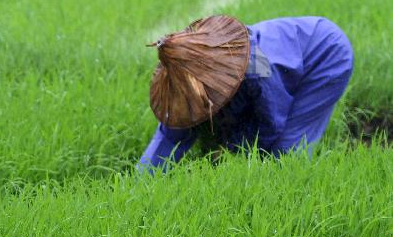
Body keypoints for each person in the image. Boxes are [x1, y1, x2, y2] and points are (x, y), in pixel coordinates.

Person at [139, 15, 353, 171]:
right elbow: (168, 138)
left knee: (285, 155)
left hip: (326, 55)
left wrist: (232, 151)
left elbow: (271, 124)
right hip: (285, 57)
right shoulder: (181, 81)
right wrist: (139, 185)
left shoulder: (255, 70)